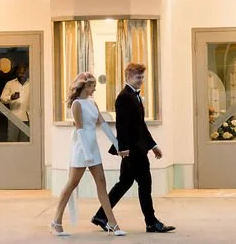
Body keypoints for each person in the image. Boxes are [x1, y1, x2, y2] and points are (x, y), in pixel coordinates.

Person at [93, 63, 175, 234]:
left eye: (142, 77)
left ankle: (101, 215)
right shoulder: (124, 97)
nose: (141, 81)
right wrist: (123, 149)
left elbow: (140, 125)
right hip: (132, 150)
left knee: (124, 183)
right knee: (145, 183)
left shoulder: (134, 96)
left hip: (137, 148)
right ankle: (151, 222)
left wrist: (153, 146)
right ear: (128, 77)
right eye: (138, 77)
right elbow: (122, 126)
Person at [50, 72, 126, 237]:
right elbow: (80, 129)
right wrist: (87, 154)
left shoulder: (92, 103)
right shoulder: (77, 104)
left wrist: (117, 144)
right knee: (72, 183)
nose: (94, 89)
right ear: (85, 86)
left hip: (93, 148)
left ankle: (112, 223)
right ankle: (56, 221)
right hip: (81, 149)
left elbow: (103, 124)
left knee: (101, 183)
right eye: (92, 86)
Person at [0, 64, 31, 142]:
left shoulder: (32, 84)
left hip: (28, 117)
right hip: (14, 117)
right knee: (12, 140)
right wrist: (11, 97)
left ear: (27, 73)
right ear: (16, 72)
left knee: (25, 140)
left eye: (23, 73)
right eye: (20, 73)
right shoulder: (10, 84)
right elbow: (2, 98)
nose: (22, 75)